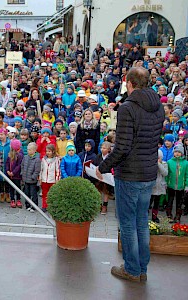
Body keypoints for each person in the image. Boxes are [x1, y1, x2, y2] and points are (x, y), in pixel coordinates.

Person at [96, 67, 165, 282]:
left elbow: (123, 146)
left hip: (130, 175)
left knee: (127, 223)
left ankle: (132, 270)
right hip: (148, 173)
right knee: (141, 222)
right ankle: (141, 267)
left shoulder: (128, 108)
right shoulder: (158, 105)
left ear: (129, 83)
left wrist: (102, 167)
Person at [165, 144, 188, 223]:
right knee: (169, 201)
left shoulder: (185, 163)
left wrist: (186, 185)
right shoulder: (169, 162)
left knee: (179, 202)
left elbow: (187, 175)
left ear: (182, 153)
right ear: (173, 153)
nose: (177, 153)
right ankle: (169, 215)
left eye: (179, 152)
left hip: (181, 186)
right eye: (176, 152)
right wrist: (165, 183)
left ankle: (178, 216)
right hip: (170, 185)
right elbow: (167, 174)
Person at [40, 144, 61, 212]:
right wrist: (40, 178)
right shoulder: (43, 159)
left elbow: (58, 170)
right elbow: (41, 169)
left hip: (52, 180)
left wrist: (57, 179)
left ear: (53, 152)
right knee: (44, 193)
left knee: (53, 194)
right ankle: (44, 205)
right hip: (44, 179)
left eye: (49, 151)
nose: (48, 153)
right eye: (47, 151)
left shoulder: (56, 160)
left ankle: (53, 206)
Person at [21, 142, 41, 212]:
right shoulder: (25, 157)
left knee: (33, 193)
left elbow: (37, 170)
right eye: (28, 149)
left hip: (32, 180)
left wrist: (33, 177)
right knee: (27, 193)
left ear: (34, 150)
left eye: (30, 150)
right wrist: (23, 174)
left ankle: (34, 206)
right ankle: (27, 205)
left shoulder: (37, 159)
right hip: (26, 179)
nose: (28, 151)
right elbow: (22, 166)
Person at [6, 139, 23, 209]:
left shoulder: (20, 155)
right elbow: (7, 163)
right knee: (11, 188)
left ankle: (18, 199)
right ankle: (12, 199)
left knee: (18, 187)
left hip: (17, 175)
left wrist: (13, 172)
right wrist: (7, 171)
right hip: (10, 175)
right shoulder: (10, 154)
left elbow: (19, 165)